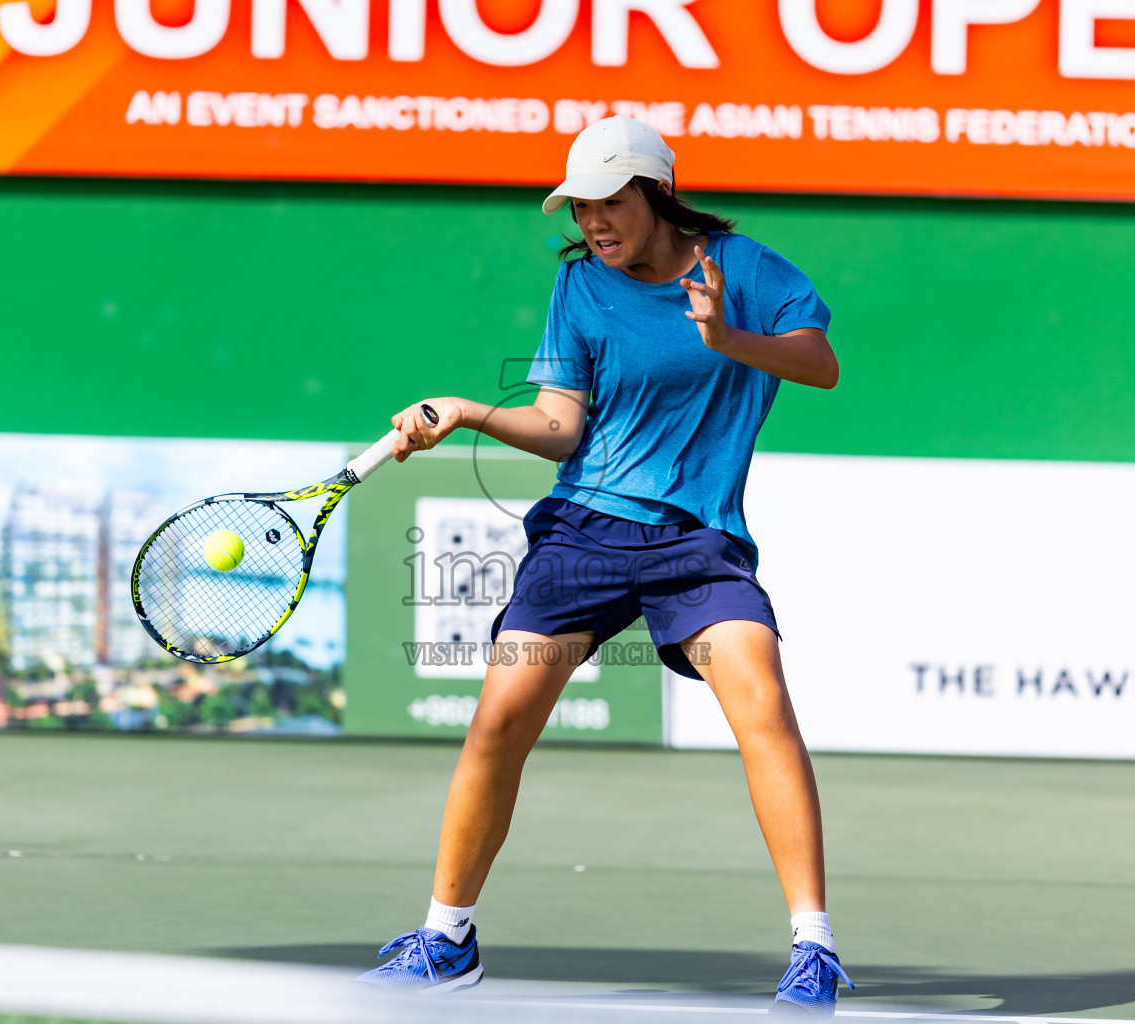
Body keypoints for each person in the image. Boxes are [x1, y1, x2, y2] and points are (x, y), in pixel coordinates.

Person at [357, 116, 849, 1016]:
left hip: (697, 543)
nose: (595, 223)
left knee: (763, 701)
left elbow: (820, 365)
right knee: (499, 717)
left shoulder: (747, 272)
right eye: (581, 208)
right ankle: (446, 937)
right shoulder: (580, 288)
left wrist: (730, 339)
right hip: (585, 534)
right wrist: (465, 411)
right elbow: (560, 427)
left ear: (657, 194)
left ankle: (813, 952)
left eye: (611, 204)